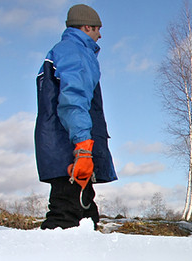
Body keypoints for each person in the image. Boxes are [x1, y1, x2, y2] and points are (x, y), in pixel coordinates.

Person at [35, 4, 117, 230]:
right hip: (71, 147)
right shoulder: (76, 51)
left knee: (86, 216)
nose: (100, 35)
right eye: (97, 29)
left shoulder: (65, 51)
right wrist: (83, 147)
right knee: (66, 215)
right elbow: (74, 99)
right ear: (87, 26)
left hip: (65, 145)